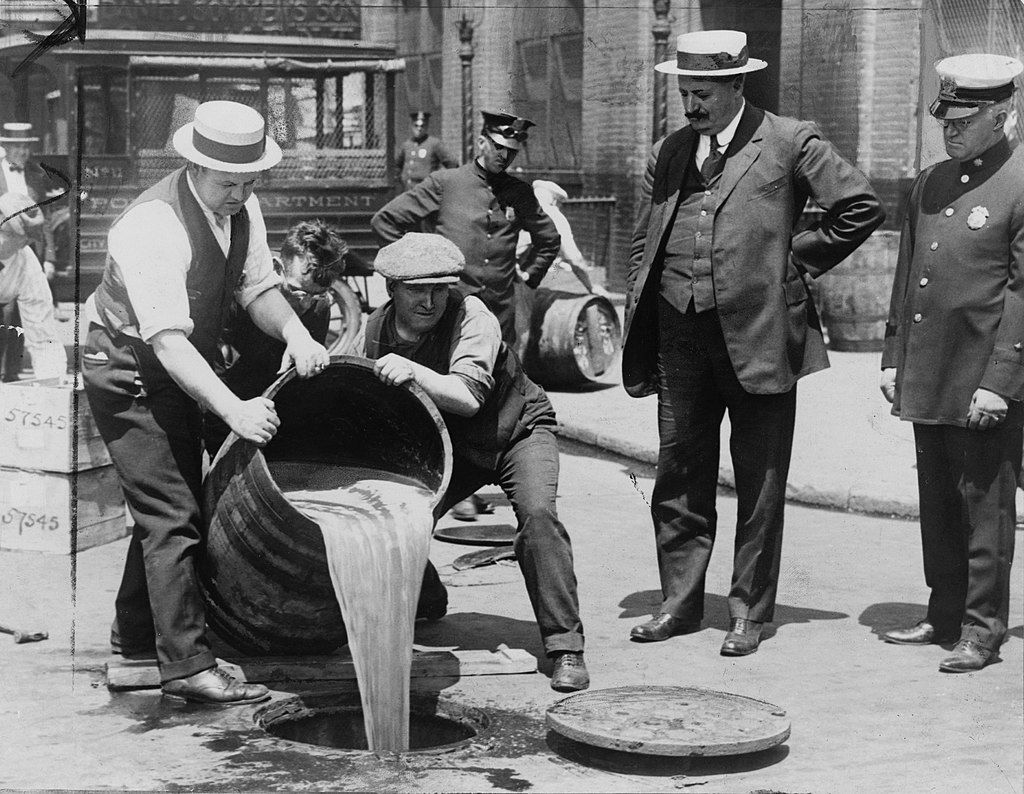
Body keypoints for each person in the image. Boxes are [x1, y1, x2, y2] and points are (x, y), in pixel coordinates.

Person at [623, 30, 884, 655]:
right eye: (685, 93)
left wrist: (792, 264)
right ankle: (679, 604)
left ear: (737, 84)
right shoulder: (672, 149)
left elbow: (859, 206)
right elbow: (647, 236)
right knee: (679, 471)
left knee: (760, 479)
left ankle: (748, 612)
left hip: (761, 333)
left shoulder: (790, 139)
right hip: (680, 333)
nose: (692, 105)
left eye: (704, 93)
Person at [81, 100, 330, 705]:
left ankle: (136, 646)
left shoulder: (241, 207)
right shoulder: (151, 225)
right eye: (228, 184)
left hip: (170, 362)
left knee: (176, 503)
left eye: (250, 183)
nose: (240, 195)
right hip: (125, 366)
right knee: (172, 513)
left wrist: (296, 331)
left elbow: (258, 288)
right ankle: (187, 665)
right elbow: (167, 343)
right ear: (193, 165)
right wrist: (233, 410)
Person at [356, 232, 589, 692]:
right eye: (416, 289)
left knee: (538, 518)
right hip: (456, 446)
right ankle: (426, 594)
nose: (429, 301)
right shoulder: (376, 329)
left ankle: (565, 646)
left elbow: (466, 396)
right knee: (400, 512)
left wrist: (416, 371)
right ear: (391, 290)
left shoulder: (472, 316)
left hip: (517, 430)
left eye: (439, 288)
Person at [879, 53, 1023, 673]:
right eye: (946, 117)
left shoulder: (1020, 182)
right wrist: (893, 358)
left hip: (982, 377)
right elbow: (909, 273)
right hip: (930, 369)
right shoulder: (933, 180)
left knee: (984, 505)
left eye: (966, 118)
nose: (951, 128)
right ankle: (943, 613)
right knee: (937, 499)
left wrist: (1000, 382)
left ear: (1003, 114)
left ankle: (983, 628)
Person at [373, 110, 561, 521]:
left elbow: (548, 240)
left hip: (501, 314)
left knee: (496, 396)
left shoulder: (518, 192)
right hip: (447, 314)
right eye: (497, 147)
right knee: (448, 396)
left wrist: (526, 278)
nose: (503, 157)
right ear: (480, 142)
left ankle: (500, 474)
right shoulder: (447, 183)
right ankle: (454, 485)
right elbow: (387, 220)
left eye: (510, 152)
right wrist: (418, 266)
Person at [204, 219, 348, 456]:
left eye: (317, 295)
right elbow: (213, 365)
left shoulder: (319, 307)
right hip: (226, 395)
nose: (305, 304)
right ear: (277, 268)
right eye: (297, 291)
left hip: (269, 396)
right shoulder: (238, 298)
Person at [0, 191, 66, 381]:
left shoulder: (27, 266)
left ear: (23, 242)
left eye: (4, 232)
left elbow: (43, 336)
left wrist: (51, 391)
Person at [0, 123, 55, 277]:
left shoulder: (37, 175)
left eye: (26, 147)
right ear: (5, 147)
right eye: (17, 147)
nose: (23, 152)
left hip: (33, 251)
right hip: (3, 250)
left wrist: (49, 258)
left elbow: (46, 218)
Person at [395, 111, 457, 192]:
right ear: (412, 126)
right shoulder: (406, 145)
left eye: (422, 126)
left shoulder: (434, 144)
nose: (419, 128)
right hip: (408, 191)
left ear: (427, 126)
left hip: (427, 192)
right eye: (416, 125)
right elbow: (396, 166)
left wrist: (443, 183)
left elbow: (452, 163)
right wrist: (400, 182)